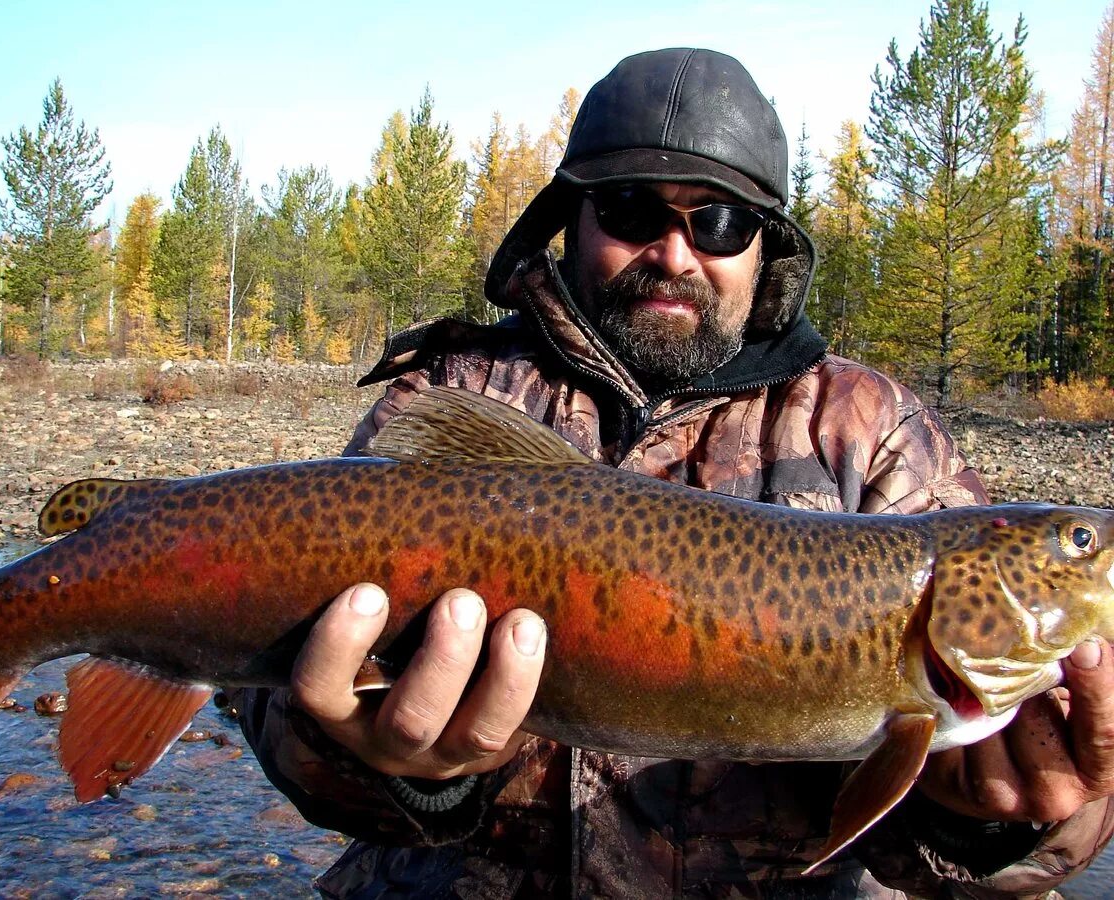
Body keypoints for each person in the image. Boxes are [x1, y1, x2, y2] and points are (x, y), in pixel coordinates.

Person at [237, 48, 1114, 898]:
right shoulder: (450, 396)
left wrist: (994, 825)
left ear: (767, 246)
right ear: (569, 220)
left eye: (719, 221)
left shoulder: (876, 432)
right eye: (629, 209)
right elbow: (267, 689)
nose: (674, 252)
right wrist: (387, 767)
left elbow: (982, 859)